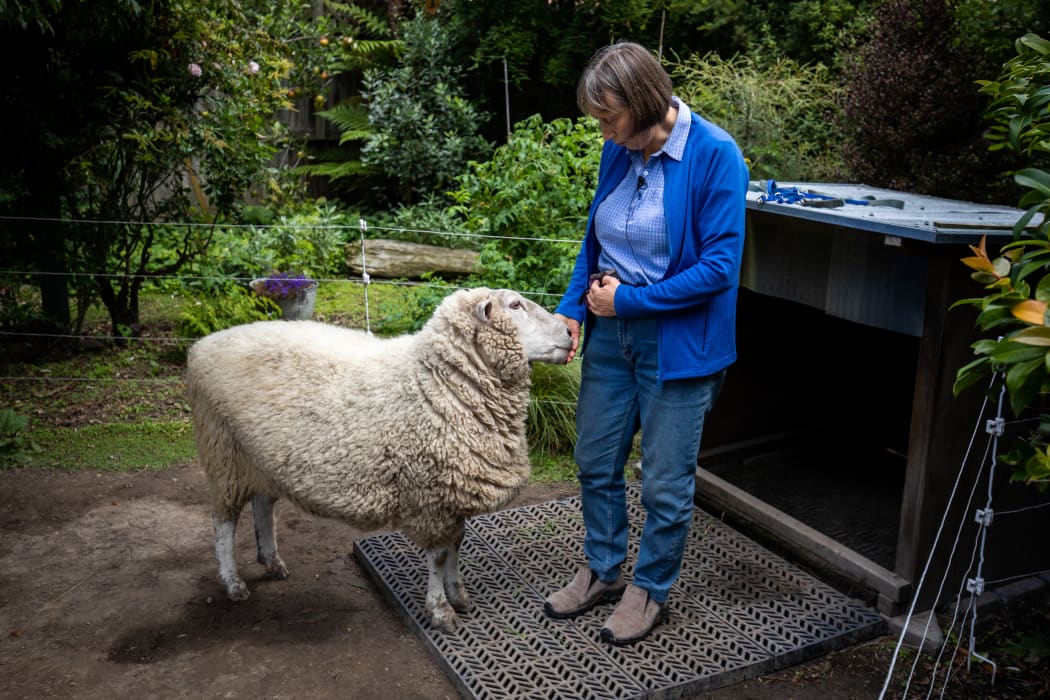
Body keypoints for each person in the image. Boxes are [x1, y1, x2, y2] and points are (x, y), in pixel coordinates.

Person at [543, 40, 749, 646]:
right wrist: (572, 310)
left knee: (663, 481)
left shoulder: (715, 155)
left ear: (641, 100)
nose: (603, 132)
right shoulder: (621, 151)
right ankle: (604, 571)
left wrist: (627, 301)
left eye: (609, 117)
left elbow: (718, 269)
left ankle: (649, 589)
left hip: (679, 345)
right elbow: (596, 241)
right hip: (611, 336)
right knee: (595, 460)